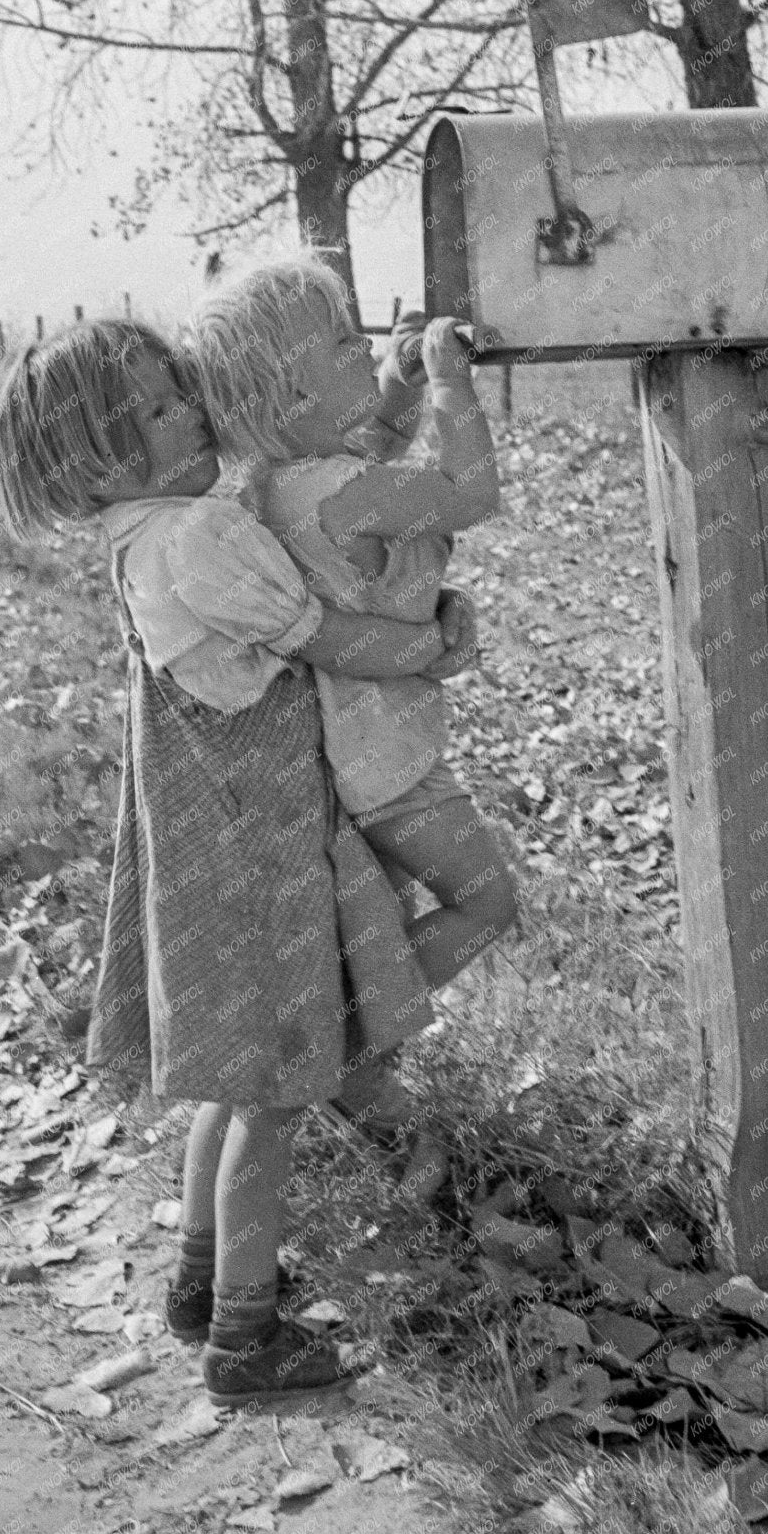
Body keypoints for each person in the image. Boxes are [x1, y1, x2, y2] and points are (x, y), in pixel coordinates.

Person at [0, 319, 473, 1404]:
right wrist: (433, 645)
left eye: (182, 391)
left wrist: (378, 398)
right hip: (257, 843)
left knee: (230, 1081)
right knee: (277, 1093)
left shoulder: (148, 531)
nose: (194, 411)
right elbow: (325, 640)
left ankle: (199, 1280)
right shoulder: (194, 539)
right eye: (160, 408)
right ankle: (245, 1340)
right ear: (99, 460)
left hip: (216, 832)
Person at [189, 261, 520, 1149]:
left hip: (349, 757)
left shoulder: (279, 483)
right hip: (393, 766)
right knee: (487, 902)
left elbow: (363, 442)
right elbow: (469, 492)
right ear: (291, 388)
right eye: (346, 343)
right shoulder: (346, 492)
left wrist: (397, 385)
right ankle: (345, 1053)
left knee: (397, 919)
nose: (365, 346)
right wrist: (450, 382)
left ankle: (348, 1058)